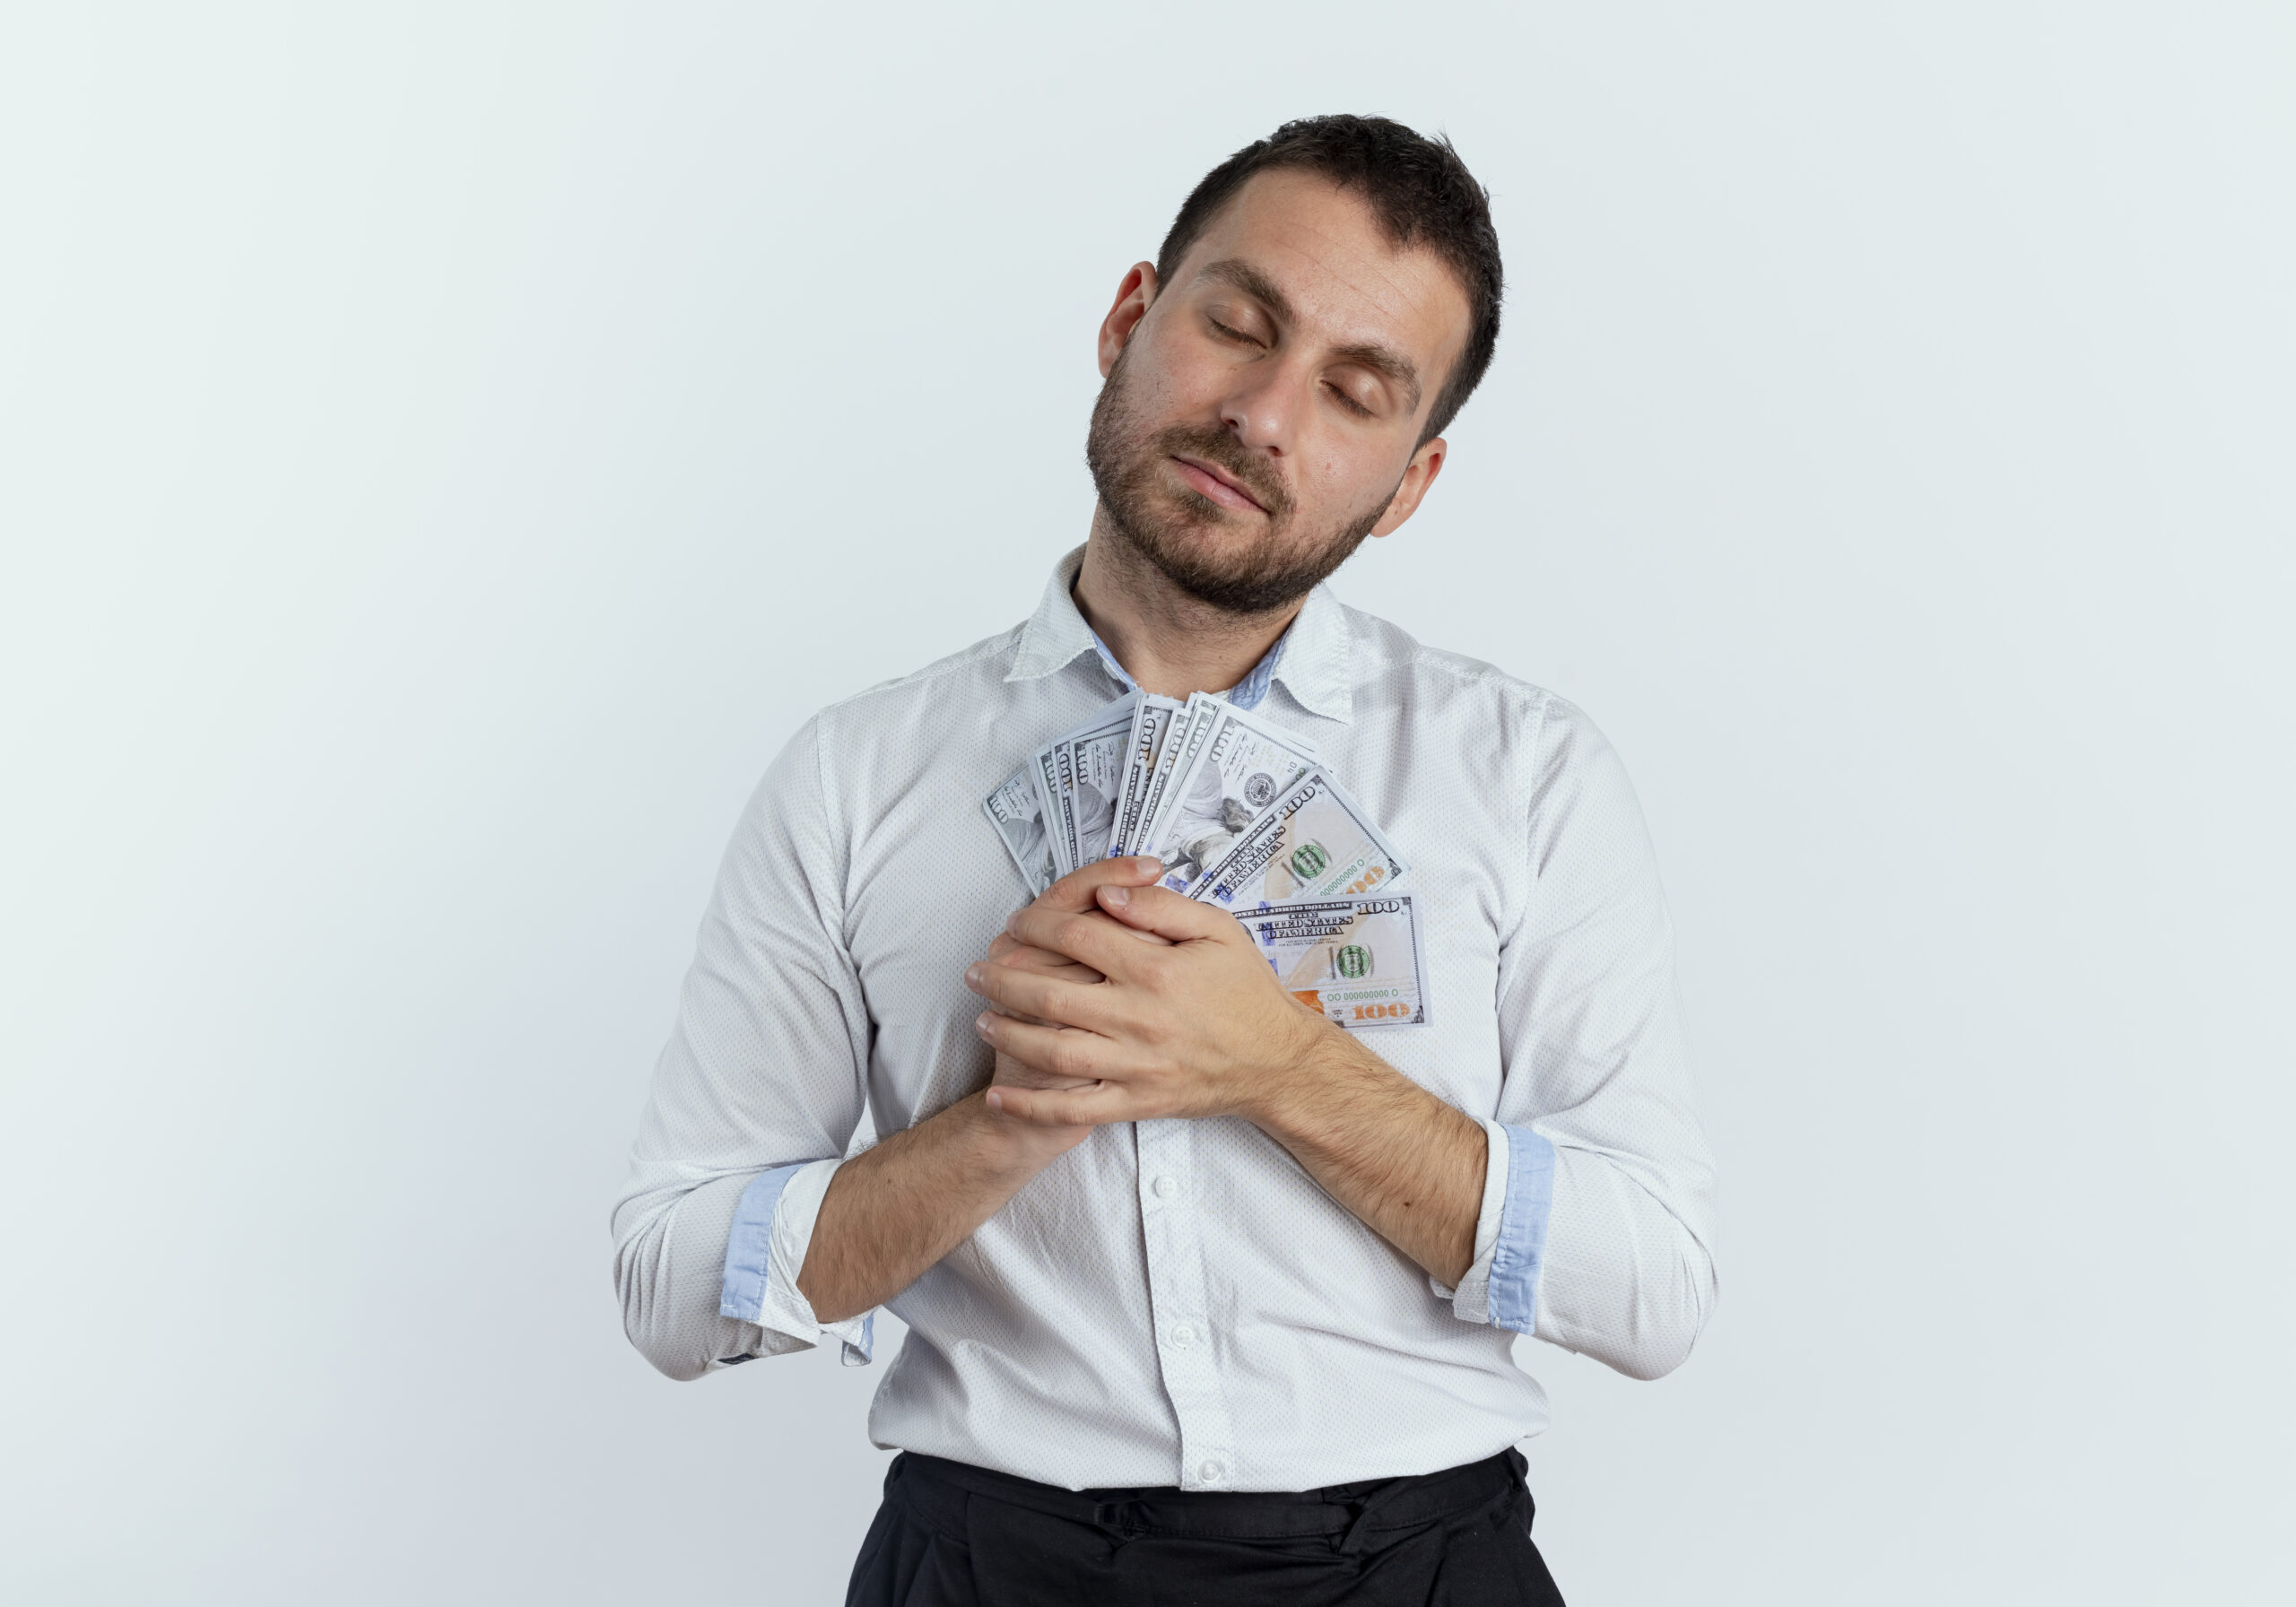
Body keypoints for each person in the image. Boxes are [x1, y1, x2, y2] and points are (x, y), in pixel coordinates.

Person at [613, 114, 1718, 1606]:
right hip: (990, 1562)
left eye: (1353, 391)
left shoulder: (1529, 773)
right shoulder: (853, 776)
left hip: (1420, 1567)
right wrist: (1019, 1107)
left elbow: (1652, 1291)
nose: (1265, 414)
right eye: (1238, 326)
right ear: (1132, 319)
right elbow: (672, 1290)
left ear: (1410, 483)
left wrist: (1276, 1066)